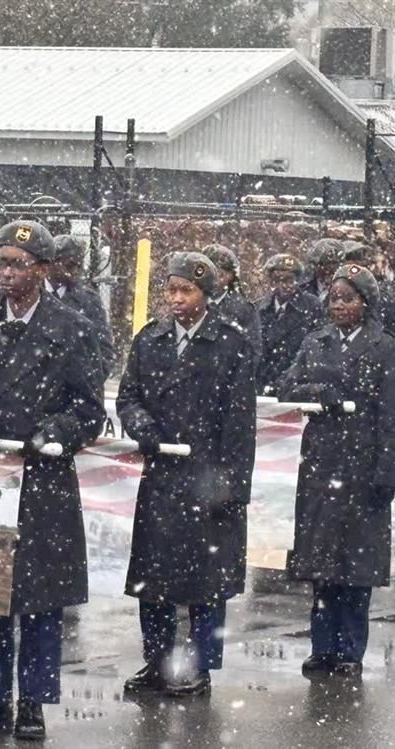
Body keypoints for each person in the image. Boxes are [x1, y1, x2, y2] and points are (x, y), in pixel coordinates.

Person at [0, 221, 105, 741]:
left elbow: (88, 409)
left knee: (39, 599)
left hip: (43, 477)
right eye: (2, 263)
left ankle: (33, 702)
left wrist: (53, 430)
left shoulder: (72, 327)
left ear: (41, 269)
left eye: (18, 264)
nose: (7, 273)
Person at [117, 251, 256, 698]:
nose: (176, 299)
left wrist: (231, 487)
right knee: (153, 579)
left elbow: (240, 425)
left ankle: (198, 666)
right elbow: (128, 396)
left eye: (187, 291)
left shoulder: (231, 344)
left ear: (206, 295)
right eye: (172, 289)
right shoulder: (150, 339)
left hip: (207, 477)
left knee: (206, 582)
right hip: (162, 477)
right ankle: (157, 662)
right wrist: (143, 428)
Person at [277, 264, 395, 680]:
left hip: (363, 467)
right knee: (322, 566)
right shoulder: (315, 342)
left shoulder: (384, 348)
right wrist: (317, 393)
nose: (340, 305)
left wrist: (387, 473)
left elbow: (390, 416)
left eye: (349, 297)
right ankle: (322, 646)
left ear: (366, 302)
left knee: (356, 568)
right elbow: (286, 387)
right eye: (335, 298)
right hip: (323, 463)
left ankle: (350, 650)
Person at [45, 234, 115, 376]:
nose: (75, 272)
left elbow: (104, 351)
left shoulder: (88, 301)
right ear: (51, 263)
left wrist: (88, 384)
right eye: (69, 265)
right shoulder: (29, 293)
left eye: (79, 266)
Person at [256, 253, 323, 396]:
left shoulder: (312, 306)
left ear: (297, 281)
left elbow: (316, 348)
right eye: (277, 280)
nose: (283, 286)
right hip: (264, 383)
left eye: (289, 280)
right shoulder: (259, 308)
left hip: (296, 385)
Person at [201, 243, 262, 360]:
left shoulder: (244, 310)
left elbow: (253, 352)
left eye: (220, 274)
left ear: (231, 276)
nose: (213, 279)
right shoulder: (188, 303)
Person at [300, 238, 343, 303]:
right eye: (326, 263)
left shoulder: (349, 288)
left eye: (335, 263)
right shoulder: (303, 287)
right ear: (315, 264)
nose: (331, 268)